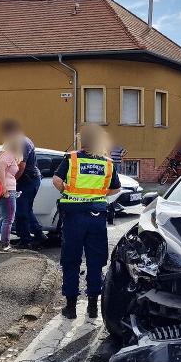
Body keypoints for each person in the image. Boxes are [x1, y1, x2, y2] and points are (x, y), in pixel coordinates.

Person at [52, 124, 121, 319]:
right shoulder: (107, 163)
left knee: (71, 261)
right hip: (96, 218)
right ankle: (92, 308)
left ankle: (71, 308)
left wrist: (68, 191)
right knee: (95, 262)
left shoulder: (72, 158)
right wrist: (98, 194)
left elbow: (56, 181)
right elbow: (116, 188)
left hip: (74, 217)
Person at [0, 120, 46, 249]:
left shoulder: (22, 143)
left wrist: (11, 182)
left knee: (21, 210)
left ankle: (26, 241)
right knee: (26, 209)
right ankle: (38, 234)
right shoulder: (19, 141)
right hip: (27, 179)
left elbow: (21, 166)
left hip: (28, 180)